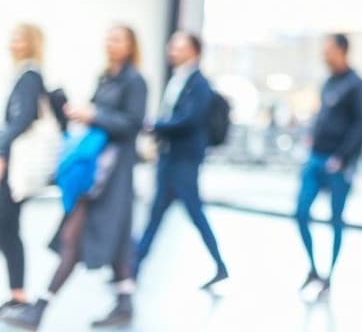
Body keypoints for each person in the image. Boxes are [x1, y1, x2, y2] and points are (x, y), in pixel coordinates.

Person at [5, 25, 148, 330]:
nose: (110, 43)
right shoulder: (106, 76)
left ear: (131, 45)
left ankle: (40, 309)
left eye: (117, 39)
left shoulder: (135, 81)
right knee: (117, 242)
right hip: (93, 170)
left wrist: (94, 115)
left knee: (74, 237)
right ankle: (125, 303)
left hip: (111, 177)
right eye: (108, 37)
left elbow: (132, 124)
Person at [134, 31, 228, 289]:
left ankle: (220, 264)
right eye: (172, 45)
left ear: (194, 51)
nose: (172, 50)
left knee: (194, 214)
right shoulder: (178, 79)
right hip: (169, 157)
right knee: (156, 215)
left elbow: (189, 119)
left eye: (179, 46)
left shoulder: (199, 84)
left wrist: (156, 126)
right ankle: (134, 266)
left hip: (184, 161)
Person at [296, 33, 362, 300]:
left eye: (328, 50)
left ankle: (329, 274)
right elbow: (323, 116)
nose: (324, 54)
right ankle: (313, 269)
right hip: (316, 158)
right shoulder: (328, 83)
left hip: (338, 164)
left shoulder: (358, 86)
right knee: (301, 212)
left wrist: (342, 156)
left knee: (335, 219)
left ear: (342, 51)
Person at [0, 26, 50, 317]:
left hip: (15, 166)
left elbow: (20, 119)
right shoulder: (21, 74)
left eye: (20, 39)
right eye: (12, 37)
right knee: (7, 229)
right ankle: (18, 294)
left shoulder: (29, 76)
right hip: (13, 163)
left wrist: (2, 152)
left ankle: (19, 294)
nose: (13, 43)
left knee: (7, 226)